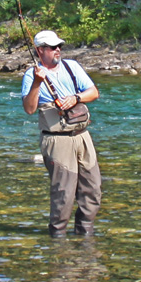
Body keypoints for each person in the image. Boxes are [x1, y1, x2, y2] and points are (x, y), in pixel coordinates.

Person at [21, 30, 102, 237]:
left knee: (92, 189)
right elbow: (29, 109)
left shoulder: (72, 66)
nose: (58, 50)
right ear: (40, 51)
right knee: (63, 194)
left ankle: (85, 234)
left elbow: (93, 93)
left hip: (82, 136)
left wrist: (76, 98)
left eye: (60, 46)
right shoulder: (31, 75)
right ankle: (57, 239)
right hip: (56, 140)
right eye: (52, 47)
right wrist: (38, 82)